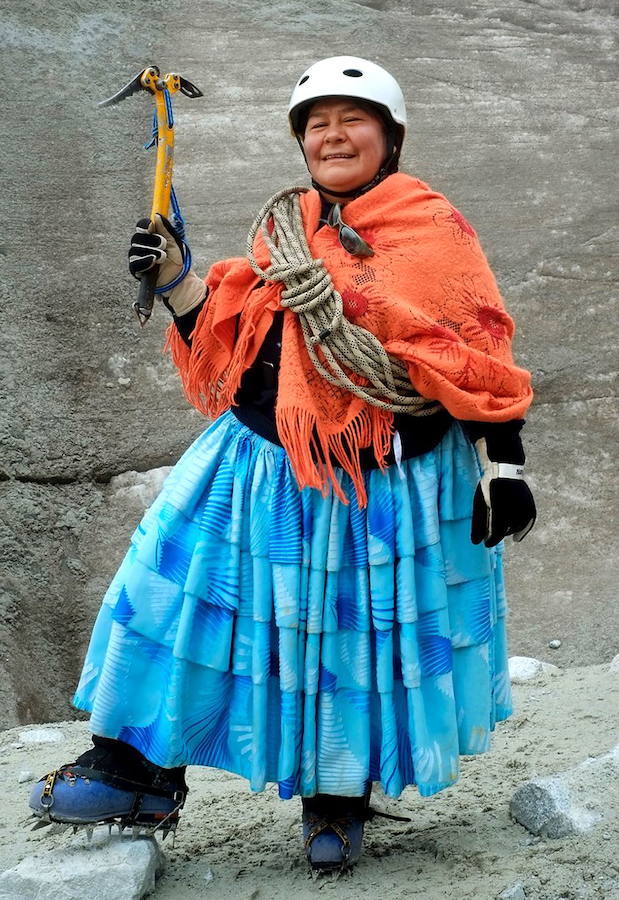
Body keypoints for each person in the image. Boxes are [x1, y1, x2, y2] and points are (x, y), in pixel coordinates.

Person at [30, 56, 536, 872]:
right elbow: (243, 349)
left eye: (352, 119)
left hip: (383, 477)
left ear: (390, 136)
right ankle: (135, 773)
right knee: (168, 601)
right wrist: (176, 281)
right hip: (257, 461)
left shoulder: (433, 232)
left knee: (348, 639)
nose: (332, 135)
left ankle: (336, 796)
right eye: (315, 124)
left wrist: (503, 467)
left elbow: (472, 357)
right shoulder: (286, 230)